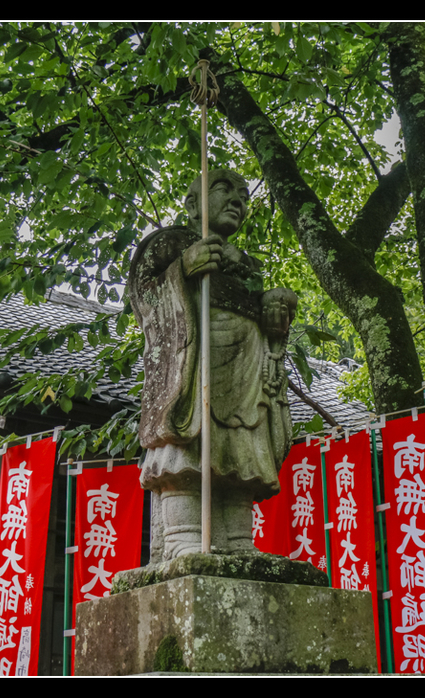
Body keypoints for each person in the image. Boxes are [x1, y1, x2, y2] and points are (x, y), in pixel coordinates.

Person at [127, 169, 298, 560]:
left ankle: (237, 539)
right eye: (225, 190)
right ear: (192, 204)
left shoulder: (248, 266)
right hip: (194, 363)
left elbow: (265, 315)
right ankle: (183, 534)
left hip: (245, 368)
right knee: (189, 448)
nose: (238, 200)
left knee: (239, 448)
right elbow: (143, 295)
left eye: (244, 195)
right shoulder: (168, 244)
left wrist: (275, 308)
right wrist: (181, 269)